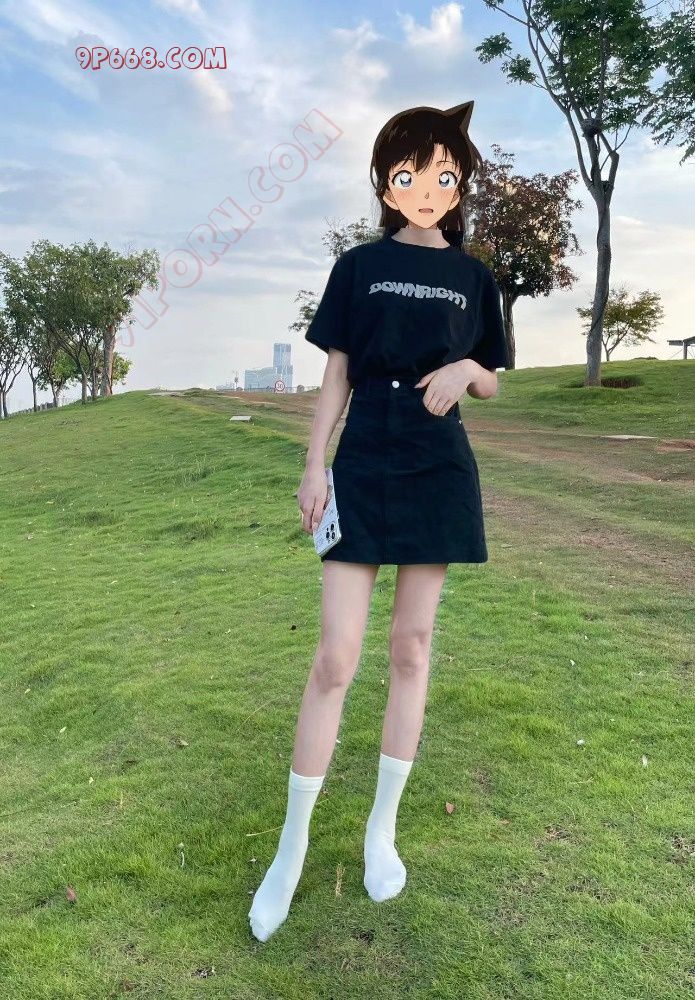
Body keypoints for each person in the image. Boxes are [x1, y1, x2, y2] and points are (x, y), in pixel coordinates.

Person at [248, 101, 509, 943]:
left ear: (457, 184)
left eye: (442, 173)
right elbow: (337, 374)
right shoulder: (358, 266)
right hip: (363, 458)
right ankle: (290, 849)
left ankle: (380, 829)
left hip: (437, 463)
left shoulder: (474, 277)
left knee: (411, 648)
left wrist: (465, 369)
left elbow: (493, 376)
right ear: (386, 182)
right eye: (408, 172)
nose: (426, 186)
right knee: (335, 657)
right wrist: (313, 464)